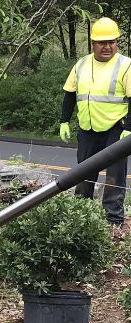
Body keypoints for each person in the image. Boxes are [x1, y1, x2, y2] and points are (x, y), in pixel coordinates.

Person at [59, 17, 131, 225]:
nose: (107, 46)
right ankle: (80, 214)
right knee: (83, 172)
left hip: (116, 128)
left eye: (112, 42)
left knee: (115, 175)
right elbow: (70, 94)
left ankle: (113, 219)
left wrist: (129, 128)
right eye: (102, 42)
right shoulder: (81, 64)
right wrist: (64, 120)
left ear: (117, 42)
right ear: (93, 44)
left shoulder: (125, 66)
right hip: (87, 128)